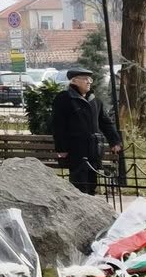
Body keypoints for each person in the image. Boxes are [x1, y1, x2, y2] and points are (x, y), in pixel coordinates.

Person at [50, 65, 121, 195]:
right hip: (76, 149)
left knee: (92, 183)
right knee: (79, 184)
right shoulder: (64, 99)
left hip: (94, 149)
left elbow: (105, 123)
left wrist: (114, 141)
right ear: (74, 81)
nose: (89, 82)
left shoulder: (94, 100)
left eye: (90, 79)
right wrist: (61, 148)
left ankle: (91, 203)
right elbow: (58, 126)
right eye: (85, 79)